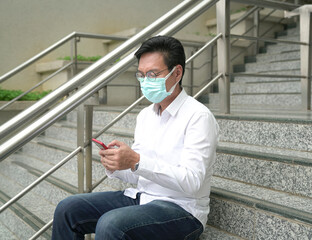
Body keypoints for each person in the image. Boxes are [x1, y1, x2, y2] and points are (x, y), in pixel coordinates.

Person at [52, 35, 219, 240]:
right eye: (141, 75)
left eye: (153, 74)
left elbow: (192, 181)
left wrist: (136, 161)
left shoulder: (198, 117)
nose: (146, 81)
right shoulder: (146, 115)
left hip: (182, 210)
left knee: (111, 224)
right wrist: (117, 165)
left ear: (177, 73)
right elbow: (139, 174)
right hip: (141, 198)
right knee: (68, 209)